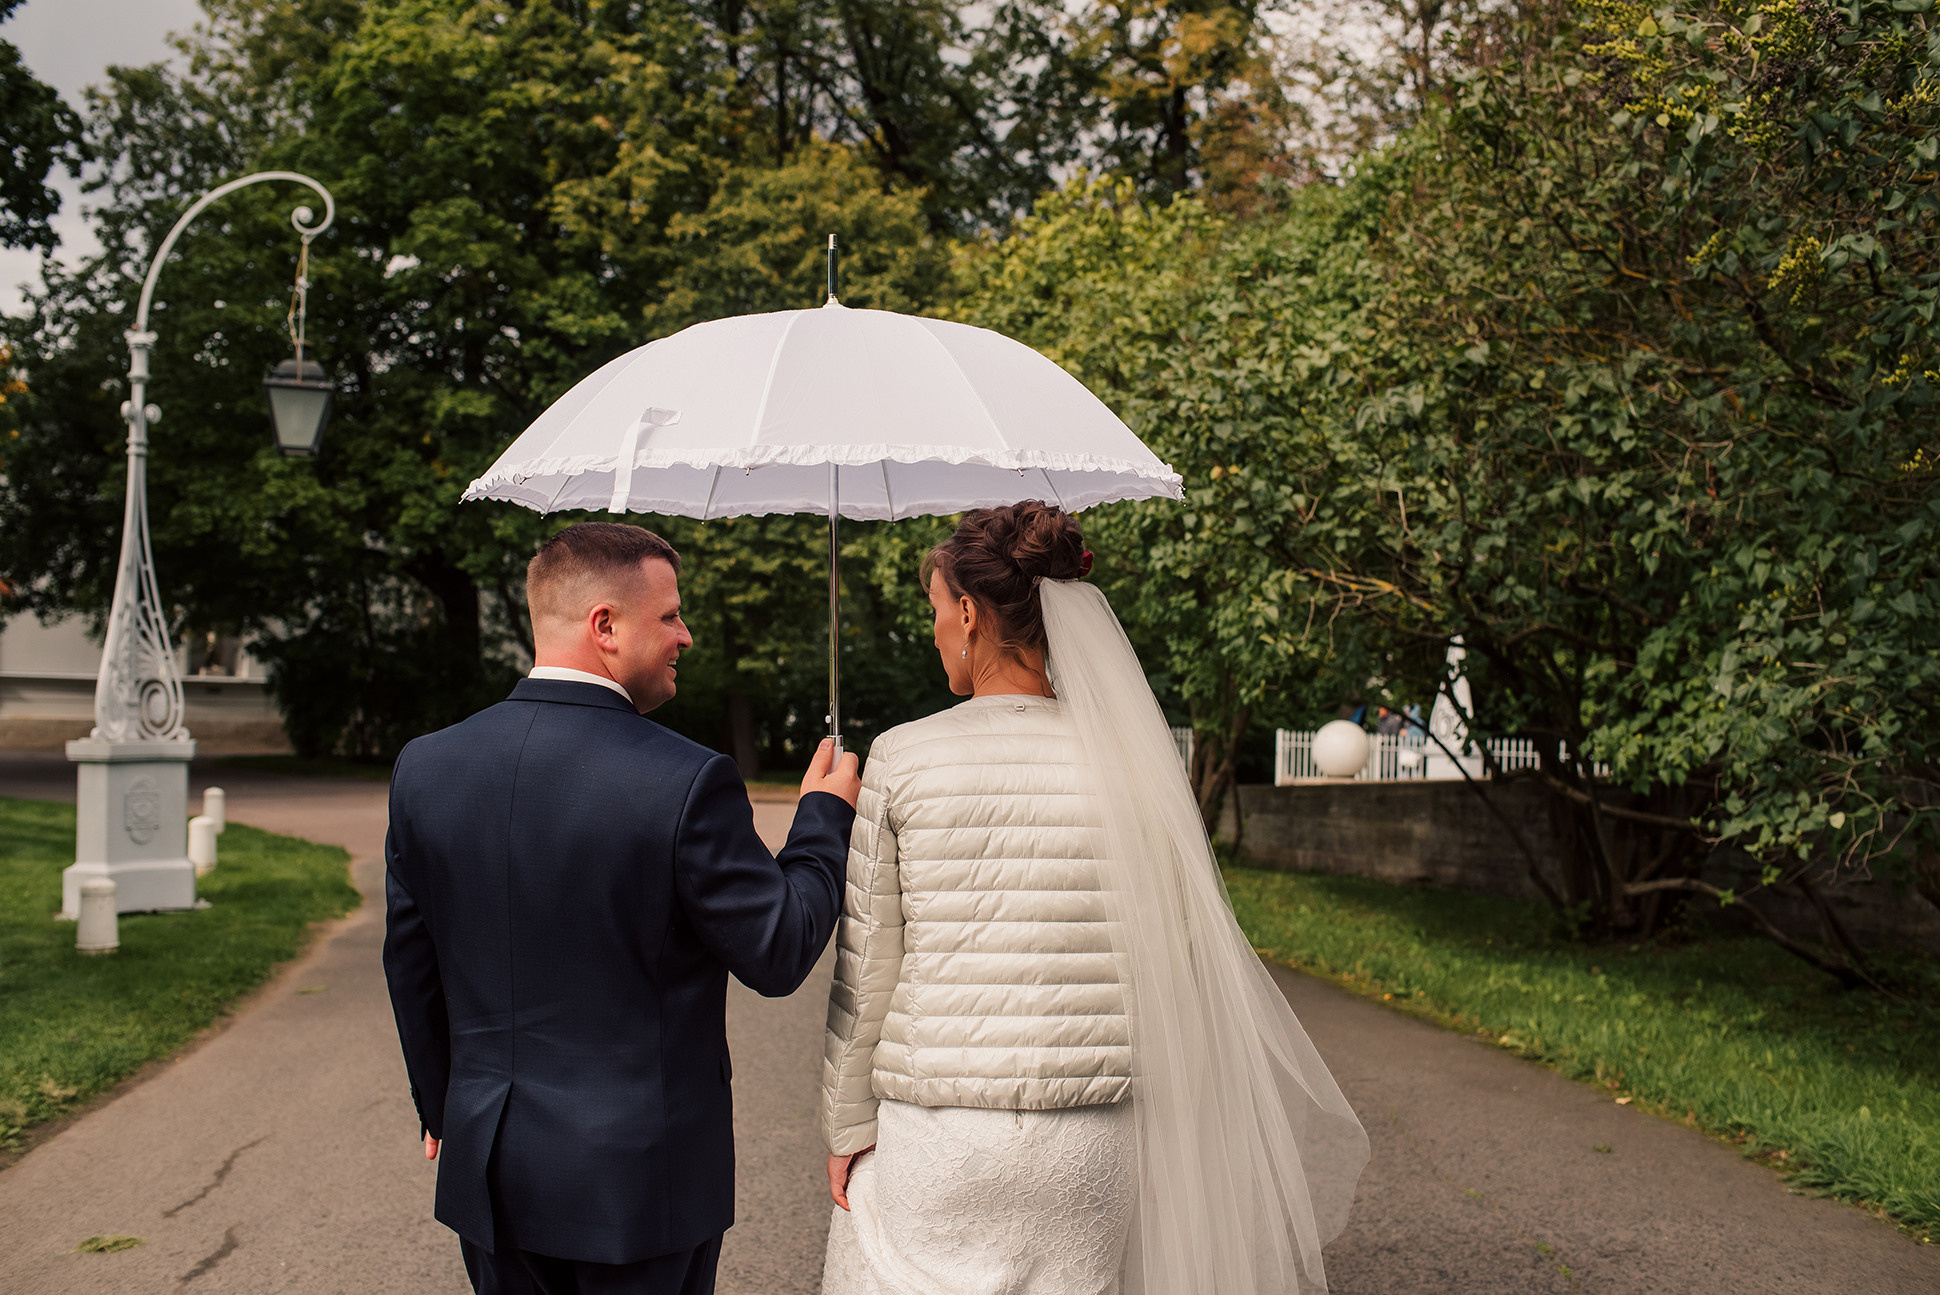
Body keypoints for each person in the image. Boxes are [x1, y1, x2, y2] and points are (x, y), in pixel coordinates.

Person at [818, 502, 1368, 1295]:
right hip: (1092, 1140)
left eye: (937, 611)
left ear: (969, 612)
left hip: (942, 1129)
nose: (938, 629)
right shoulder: (1136, 766)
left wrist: (845, 1124)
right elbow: (1174, 963)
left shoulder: (903, 757)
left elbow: (867, 968)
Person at [383, 521, 861, 1295]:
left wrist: (446, 1111)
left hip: (490, 1169)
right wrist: (822, 818)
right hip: (640, 1185)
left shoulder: (426, 767)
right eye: (670, 614)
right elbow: (776, 949)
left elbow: (410, 964)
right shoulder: (685, 779)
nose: (687, 634)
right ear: (605, 625)